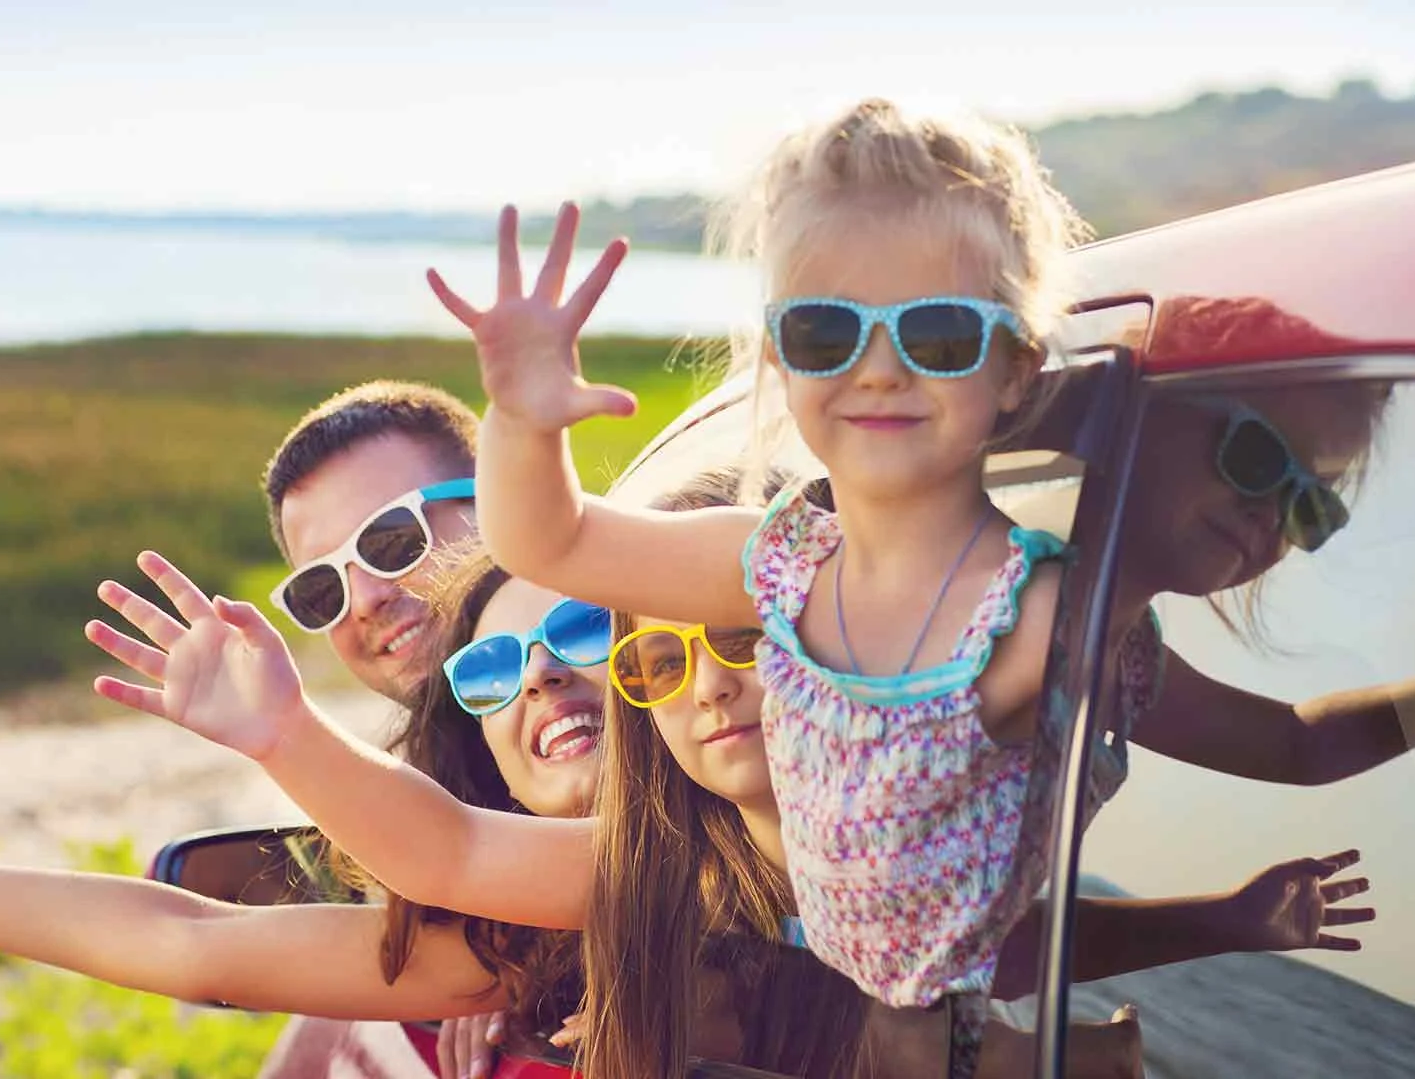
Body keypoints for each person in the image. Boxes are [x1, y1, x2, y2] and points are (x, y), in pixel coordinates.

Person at [77, 469, 1373, 1079]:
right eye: (489, 676)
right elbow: (240, 925)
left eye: (583, 632)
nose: (540, 679)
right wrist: (284, 733)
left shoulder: (855, 803)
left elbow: (993, 938)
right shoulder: (585, 892)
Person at [433, 97, 1109, 1069]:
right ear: (778, 359)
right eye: (827, 331)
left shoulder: (1037, 610)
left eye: (942, 333)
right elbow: (550, 536)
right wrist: (520, 419)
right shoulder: (771, 565)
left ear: (1017, 365)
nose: (878, 369)